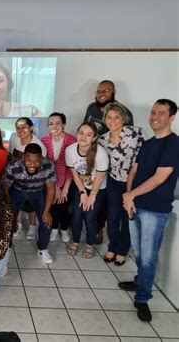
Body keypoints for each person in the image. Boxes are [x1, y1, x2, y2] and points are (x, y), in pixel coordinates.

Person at [119, 99, 179, 322]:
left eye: (161, 113)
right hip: (135, 205)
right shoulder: (148, 142)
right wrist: (128, 196)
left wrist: (131, 195)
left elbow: (160, 177)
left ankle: (143, 298)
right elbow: (134, 171)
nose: (155, 116)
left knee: (148, 256)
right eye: (153, 112)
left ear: (172, 117)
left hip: (155, 209)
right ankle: (139, 281)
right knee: (139, 252)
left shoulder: (173, 144)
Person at [98, 102, 146, 265]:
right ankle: (112, 246)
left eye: (116, 117)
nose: (112, 121)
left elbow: (147, 156)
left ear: (123, 119)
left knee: (127, 216)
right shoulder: (103, 140)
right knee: (112, 216)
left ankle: (122, 250)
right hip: (113, 181)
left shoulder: (137, 133)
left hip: (133, 182)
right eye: (109, 117)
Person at [5, 143, 56, 263]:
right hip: (18, 191)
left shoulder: (48, 165)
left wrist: (47, 211)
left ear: (42, 158)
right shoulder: (13, 166)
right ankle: (6, 246)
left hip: (38, 191)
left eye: (37, 160)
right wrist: (7, 206)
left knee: (47, 220)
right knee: (7, 218)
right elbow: (5, 186)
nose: (33, 164)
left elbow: (51, 188)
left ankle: (42, 248)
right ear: (23, 157)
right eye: (29, 160)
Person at [65, 122, 108, 259]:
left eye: (88, 134)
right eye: (81, 133)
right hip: (81, 186)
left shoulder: (100, 154)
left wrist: (92, 196)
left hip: (98, 189)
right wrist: (83, 193)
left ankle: (90, 244)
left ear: (94, 138)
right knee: (77, 214)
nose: (84, 137)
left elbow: (100, 178)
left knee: (90, 216)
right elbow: (74, 174)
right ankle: (76, 241)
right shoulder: (70, 150)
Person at [8, 117, 47, 240]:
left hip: (32, 181)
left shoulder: (39, 145)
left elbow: (41, 166)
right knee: (16, 205)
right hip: (16, 179)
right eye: (18, 127)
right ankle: (18, 225)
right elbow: (10, 154)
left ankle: (32, 226)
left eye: (24, 127)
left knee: (31, 205)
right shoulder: (14, 137)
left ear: (31, 128)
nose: (21, 130)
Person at [41, 112, 77, 242]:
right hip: (51, 182)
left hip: (68, 180)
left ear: (63, 125)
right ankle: (55, 228)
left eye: (58, 123)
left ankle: (64, 229)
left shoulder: (72, 141)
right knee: (54, 206)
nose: (54, 126)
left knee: (64, 206)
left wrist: (65, 188)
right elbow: (45, 166)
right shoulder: (44, 141)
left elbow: (72, 167)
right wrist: (55, 187)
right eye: (51, 124)